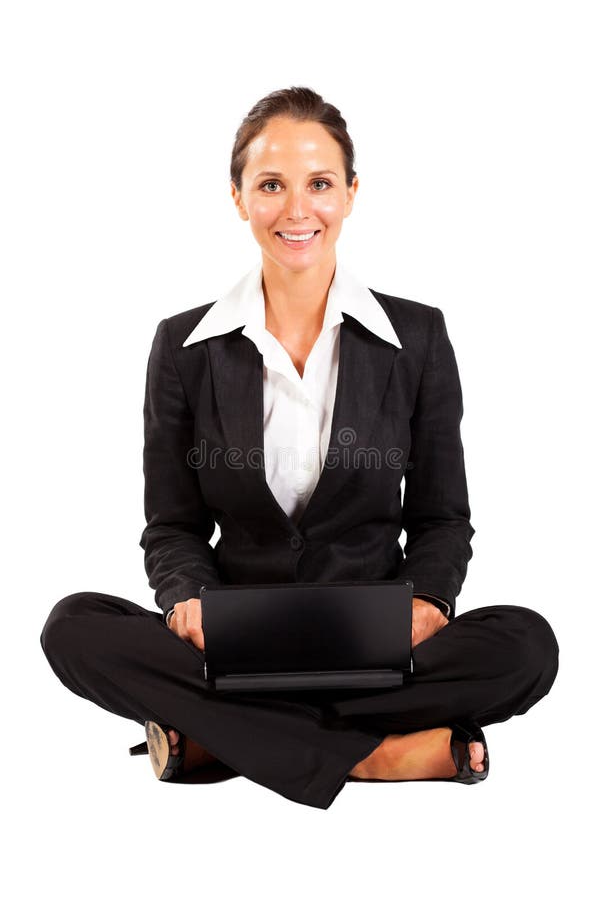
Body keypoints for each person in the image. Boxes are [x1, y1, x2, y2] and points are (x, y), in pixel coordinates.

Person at [39, 86, 559, 810]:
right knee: (73, 628)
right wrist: (187, 599)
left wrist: (430, 601)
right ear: (238, 197)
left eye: (319, 183)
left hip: (377, 640)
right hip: (236, 640)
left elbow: (443, 518)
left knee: (527, 645)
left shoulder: (417, 338)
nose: (297, 210)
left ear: (350, 192)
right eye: (270, 185)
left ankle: (221, 740)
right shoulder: (184, 347)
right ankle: (375, 756)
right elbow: (173, 526)